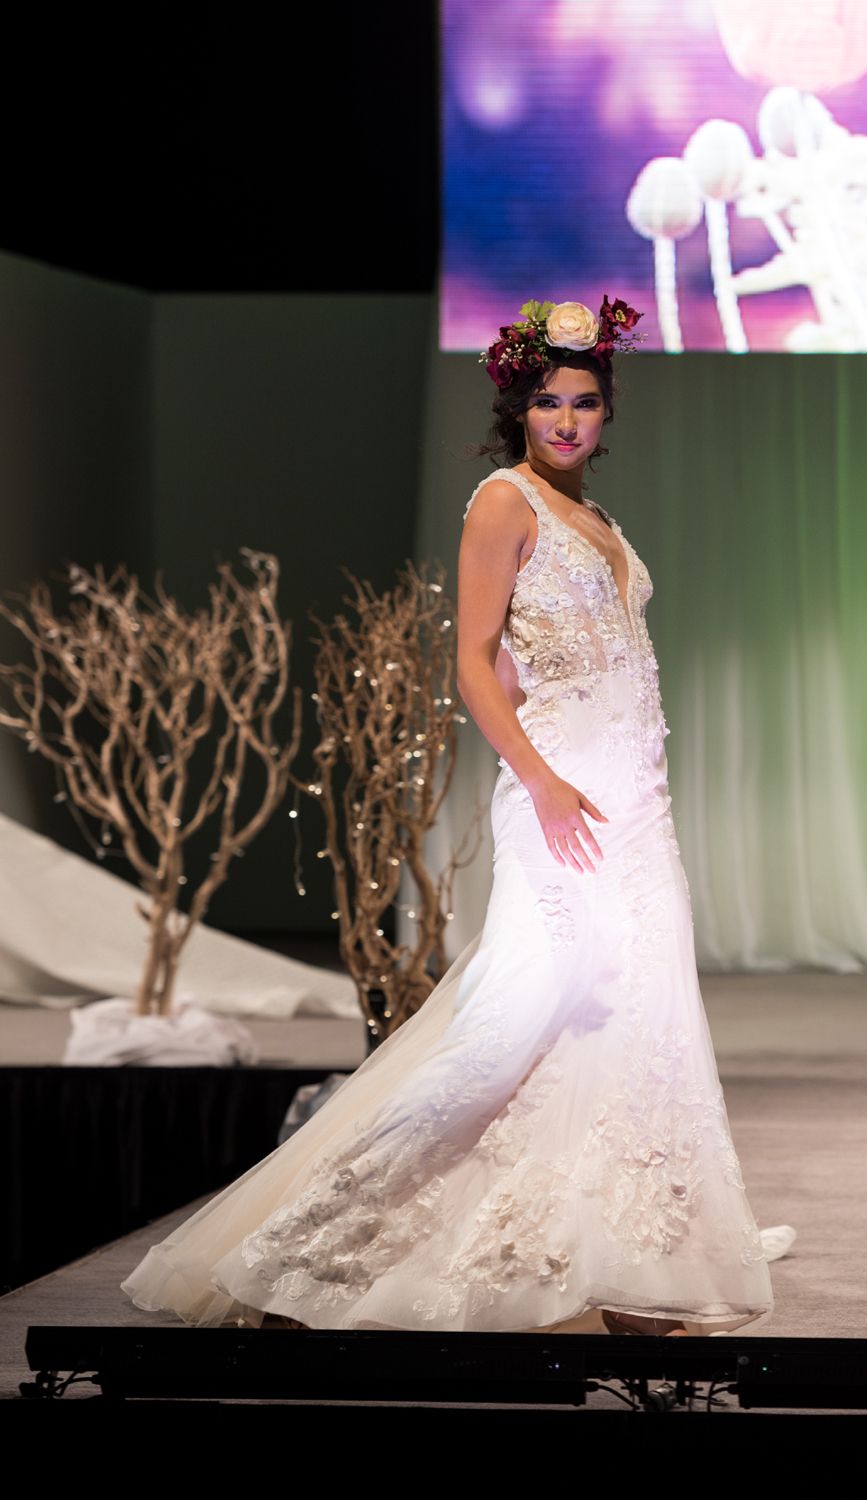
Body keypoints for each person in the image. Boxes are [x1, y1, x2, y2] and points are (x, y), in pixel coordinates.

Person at [121, 294, 794, 1337]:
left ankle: (632, 1246)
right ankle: (316, 1238)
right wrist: (539, 776)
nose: (566, 420)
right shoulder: (504, 502)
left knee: (636, 1017)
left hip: (635, 805)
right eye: (546, 403)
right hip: (559, 792)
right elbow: (471, 664)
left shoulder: (599, 520)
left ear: (605, 412)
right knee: (514, 1021)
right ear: (518, 412)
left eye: (583, 402)